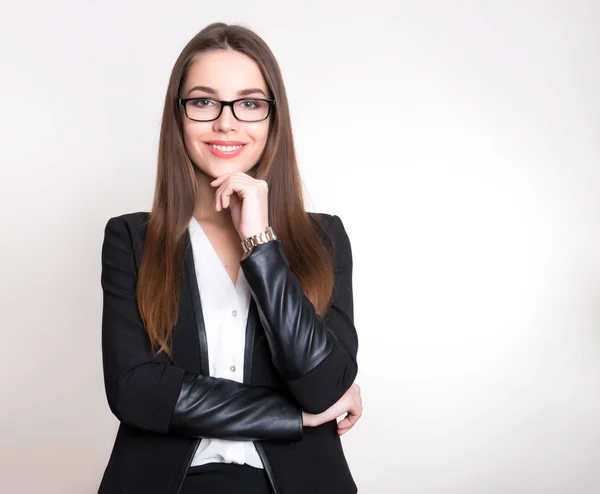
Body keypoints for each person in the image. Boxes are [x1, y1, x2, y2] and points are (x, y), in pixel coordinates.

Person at [98, 22, 361, 494]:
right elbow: (136, 391)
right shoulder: (131, 238)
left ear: (271, 118)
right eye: (203, 102)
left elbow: (325, 385)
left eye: (250, 103)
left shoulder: (323, 237)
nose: (226, 122)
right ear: (178, 116)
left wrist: (261, 242)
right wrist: (291, 415)